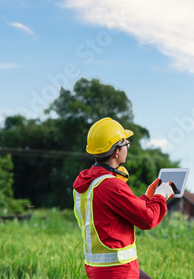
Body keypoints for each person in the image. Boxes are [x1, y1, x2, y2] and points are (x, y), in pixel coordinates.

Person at [73, 117, 174, 279]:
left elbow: (124, 210)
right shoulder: (111, 185)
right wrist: (161, 195)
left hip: (99, 268)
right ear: (116, 151)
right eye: (126, 144)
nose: (128, 148)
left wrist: (149, 197)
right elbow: (148, 219)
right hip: (117, 270)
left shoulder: (89, 183)